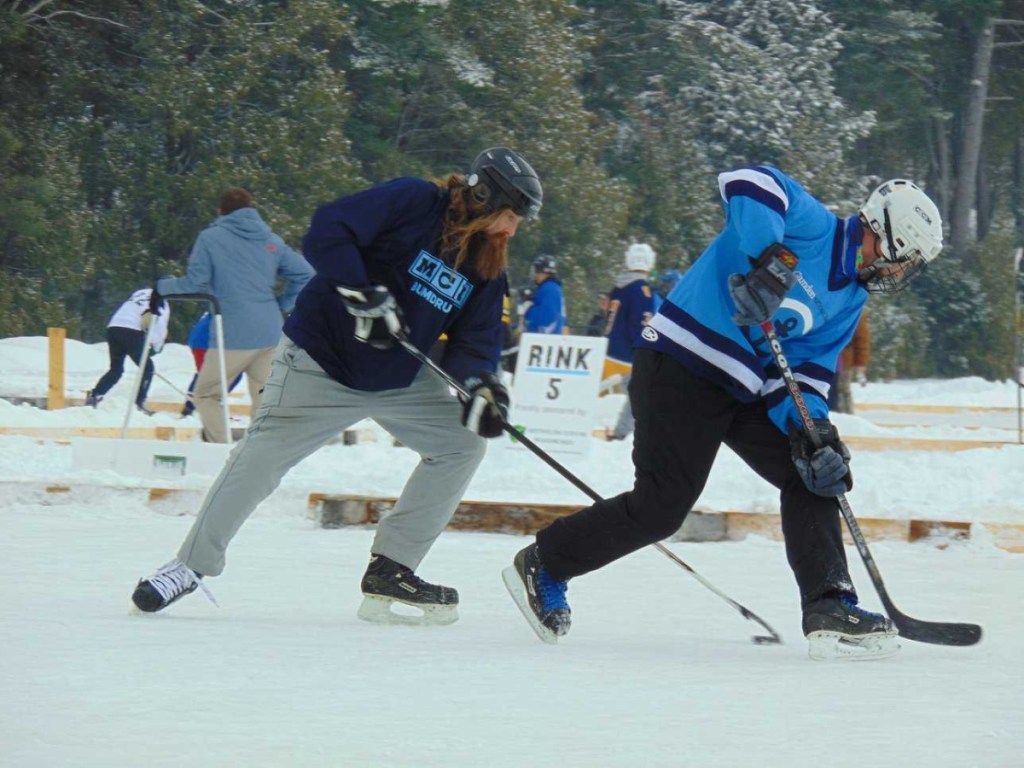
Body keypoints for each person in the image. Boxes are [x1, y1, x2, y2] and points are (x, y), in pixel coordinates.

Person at [502, 171, 944, 661]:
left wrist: (812, 428)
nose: (895, 272)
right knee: (662, 507)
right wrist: (767, 259)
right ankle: (545, 563)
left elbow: (807, 374)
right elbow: (748, 182)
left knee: (814, 470)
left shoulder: (850, 301)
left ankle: (830, 604)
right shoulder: (812, 225)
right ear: (880, 231)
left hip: (746, 387)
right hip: (682, 362)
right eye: (899, 258)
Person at [130, 147, 543, 627]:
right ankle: (189, 566)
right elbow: (328, 230)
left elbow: (478, 338)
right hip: (320, 363)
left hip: (399, 380)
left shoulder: (487, 263)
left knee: (462, 444)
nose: (512, 230)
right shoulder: (413, 200)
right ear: (482, 195)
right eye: (509, 215)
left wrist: (481, 385)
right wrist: (359, 291)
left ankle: (393, 567)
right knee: (258, 458)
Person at [155, 187, 314, 442]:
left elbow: (195, 283)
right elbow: (306, 275)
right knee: (265, 397)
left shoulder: (211, 238)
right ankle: (258, 456)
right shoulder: (271, 240)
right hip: (271, 332)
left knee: (206, 394)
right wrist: (280, 305)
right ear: (253, 210)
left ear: (221, 212)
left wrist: (162, 287)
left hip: (233, 332)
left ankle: (221, 450)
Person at [603, 243, 657, 441]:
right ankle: (621, 433)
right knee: (643, 393)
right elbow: (640, 323)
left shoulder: (619, 287)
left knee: (638, 393)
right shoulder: (642, 289)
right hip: (626, 354)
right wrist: (647, 348)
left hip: (609, 347)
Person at [85, 288, 170, 415]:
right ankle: (139, 404)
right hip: (131, 330)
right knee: (148, 368)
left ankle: (94, 395)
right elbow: (159, 328)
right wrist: (157, 347)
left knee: (116, 369)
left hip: (114, 327)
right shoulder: (163, 302)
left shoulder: (141, 292)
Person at [180, 312, 242, 417]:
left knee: (207, 374)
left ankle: (192, 406)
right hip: (206, 343)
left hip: (202, 342)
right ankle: (204, 405)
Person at [830, 310, 871, 414]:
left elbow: (862, 339)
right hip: (822, 359)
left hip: (842, 361)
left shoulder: (856, 310)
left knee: (842, 393)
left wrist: (860, 363)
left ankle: (846, 418)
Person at [523, 255, 566, 334]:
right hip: (545, 337)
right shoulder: (552, 287)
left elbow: (547, 317)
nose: (535, 275)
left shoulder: (549, 288)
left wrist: (528, 310)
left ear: (543, 272)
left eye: (536, 271)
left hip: (544, 339)